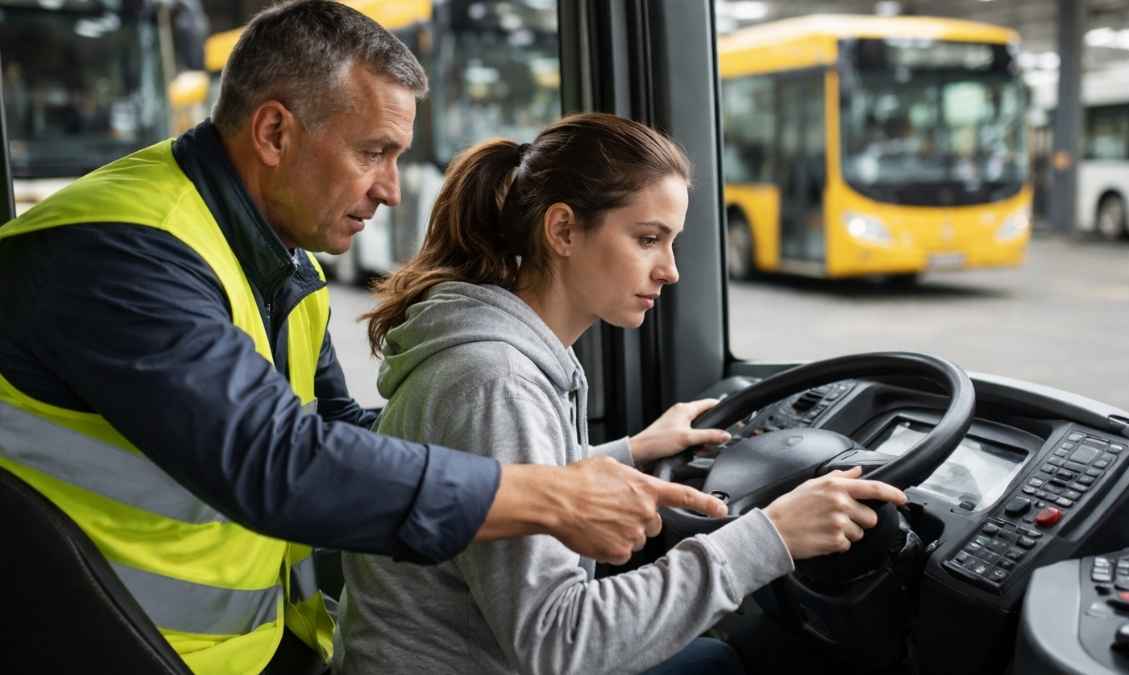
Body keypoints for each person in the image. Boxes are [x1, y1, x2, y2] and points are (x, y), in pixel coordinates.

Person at [0, 2, 726, 673]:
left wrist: (602, 457)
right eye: (374, 152)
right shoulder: (124, 252)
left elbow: (344, 433)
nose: (393, 188)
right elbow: (278, 461)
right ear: (275, 132)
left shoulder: (280, 256)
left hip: (255, 649)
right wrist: (555, 495)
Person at [335, 113, 909, 675]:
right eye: (648, 239)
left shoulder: (501, 358)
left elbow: (506, 483)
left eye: (672, 242)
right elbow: (561, 643)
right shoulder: (497, 380)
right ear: (562, 230)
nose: (671, 270)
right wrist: (771, 536)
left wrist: (630, 453)